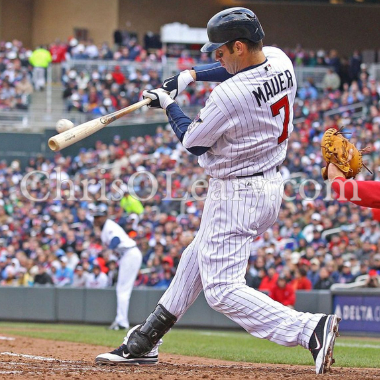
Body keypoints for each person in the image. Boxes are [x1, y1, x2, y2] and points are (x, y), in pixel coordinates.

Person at [96, 7, 340, 374]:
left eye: (221, 50)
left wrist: (169, 104)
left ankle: (309, 329)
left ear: (239, 46)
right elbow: (230, 70)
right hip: (269, 183)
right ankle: (146, 339)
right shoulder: (280, 59)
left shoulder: (230, 95)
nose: (216, 57)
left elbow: (193, 143)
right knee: (195, 257)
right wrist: (190, 76)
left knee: (222, 290)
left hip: (237, 192)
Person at [92, 203, 142, 330]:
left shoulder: (109, 226)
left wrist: (109, 250)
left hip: (130, 254)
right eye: (96, 217)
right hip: (126, 255)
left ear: (105, 216)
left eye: (100, 216)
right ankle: (120, 320)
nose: (97, 219)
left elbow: (116, 240)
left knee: (123, 289)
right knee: (122, 289)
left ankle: (122, 322)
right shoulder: (104, 229)